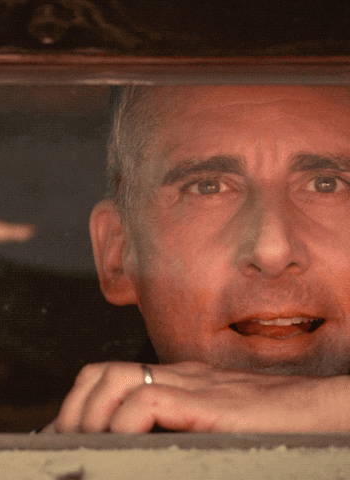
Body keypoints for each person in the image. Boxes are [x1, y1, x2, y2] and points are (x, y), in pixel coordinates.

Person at [43, 85, 350, 433]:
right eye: (208, 187)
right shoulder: (38, 459)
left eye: (327, 184)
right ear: (118, 253)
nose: (272, 252)